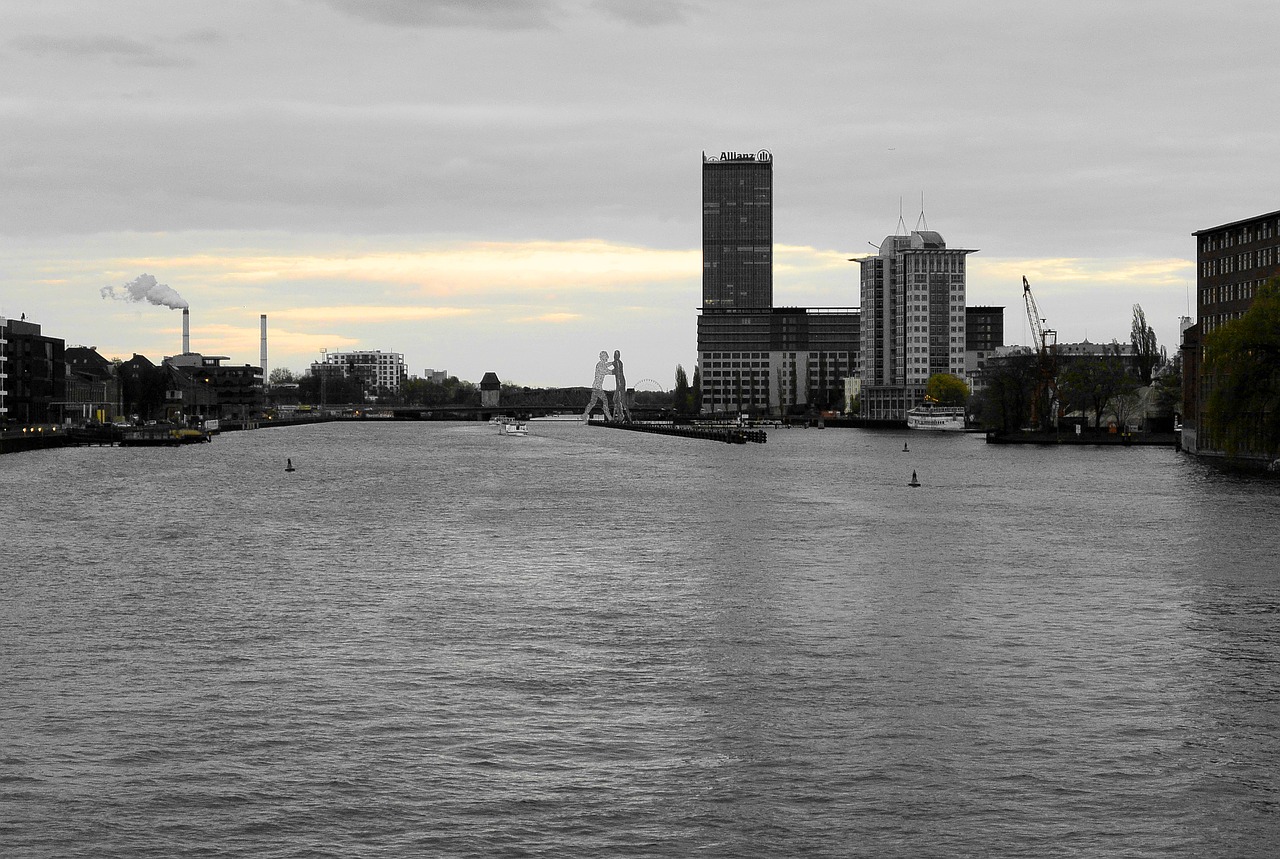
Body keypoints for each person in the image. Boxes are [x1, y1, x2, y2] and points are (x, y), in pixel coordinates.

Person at [582, 351, 614, 421]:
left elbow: (606, 365)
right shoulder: (600, 365)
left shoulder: (601, 364)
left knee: (592, 402)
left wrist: (612, 363)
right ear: (603, 357)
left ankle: (584, 415)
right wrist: (615, 371)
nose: (607, 357)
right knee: (605, 401)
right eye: (605, 356)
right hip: (598, 388)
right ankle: (610, 418)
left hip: (595, 387)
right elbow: (607, 371)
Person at [612, 349, 631, 423]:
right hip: (620, 383)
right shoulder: (618, 363)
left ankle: (624, 417)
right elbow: (615, 372)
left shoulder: (617, 363)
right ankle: (621, 417)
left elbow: (618, 374)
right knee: (618, 401)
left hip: (620, 384)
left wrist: (618, 389)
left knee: (619, 401)